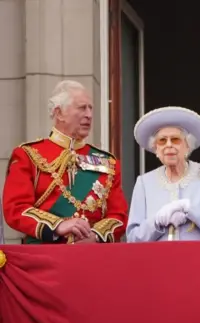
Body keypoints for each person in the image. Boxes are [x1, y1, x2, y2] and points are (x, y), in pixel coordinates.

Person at [2, 80, 128, 244]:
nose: (89, 115)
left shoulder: (108, 162)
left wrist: (96, 235)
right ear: (59, 113)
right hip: (44, 256)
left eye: (91, 108)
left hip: (93, 256)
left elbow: (119, 215)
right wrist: (58, 226)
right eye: (82, 108)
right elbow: (15, 208)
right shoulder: (28, 155)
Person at [126, 106, 200, 242]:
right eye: (162, 141)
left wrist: (190, 209)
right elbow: (133, 238)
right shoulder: (144, 183)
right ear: (156, 149)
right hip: (157, 260)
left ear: (188, 146)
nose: (168, 145)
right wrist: (156, 222)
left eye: (175, 139)